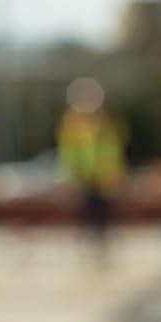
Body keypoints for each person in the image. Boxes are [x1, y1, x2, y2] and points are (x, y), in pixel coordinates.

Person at [56, 77, 126, 253]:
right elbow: (67, 150)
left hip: (103, 177)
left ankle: (102, 245)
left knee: (104, 212)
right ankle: (87, 245)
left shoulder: (106, 122)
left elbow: (114, 148)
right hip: (83, 177)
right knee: (85, 212)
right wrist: (69, 175)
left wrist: (114, 173)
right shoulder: (71, 123)